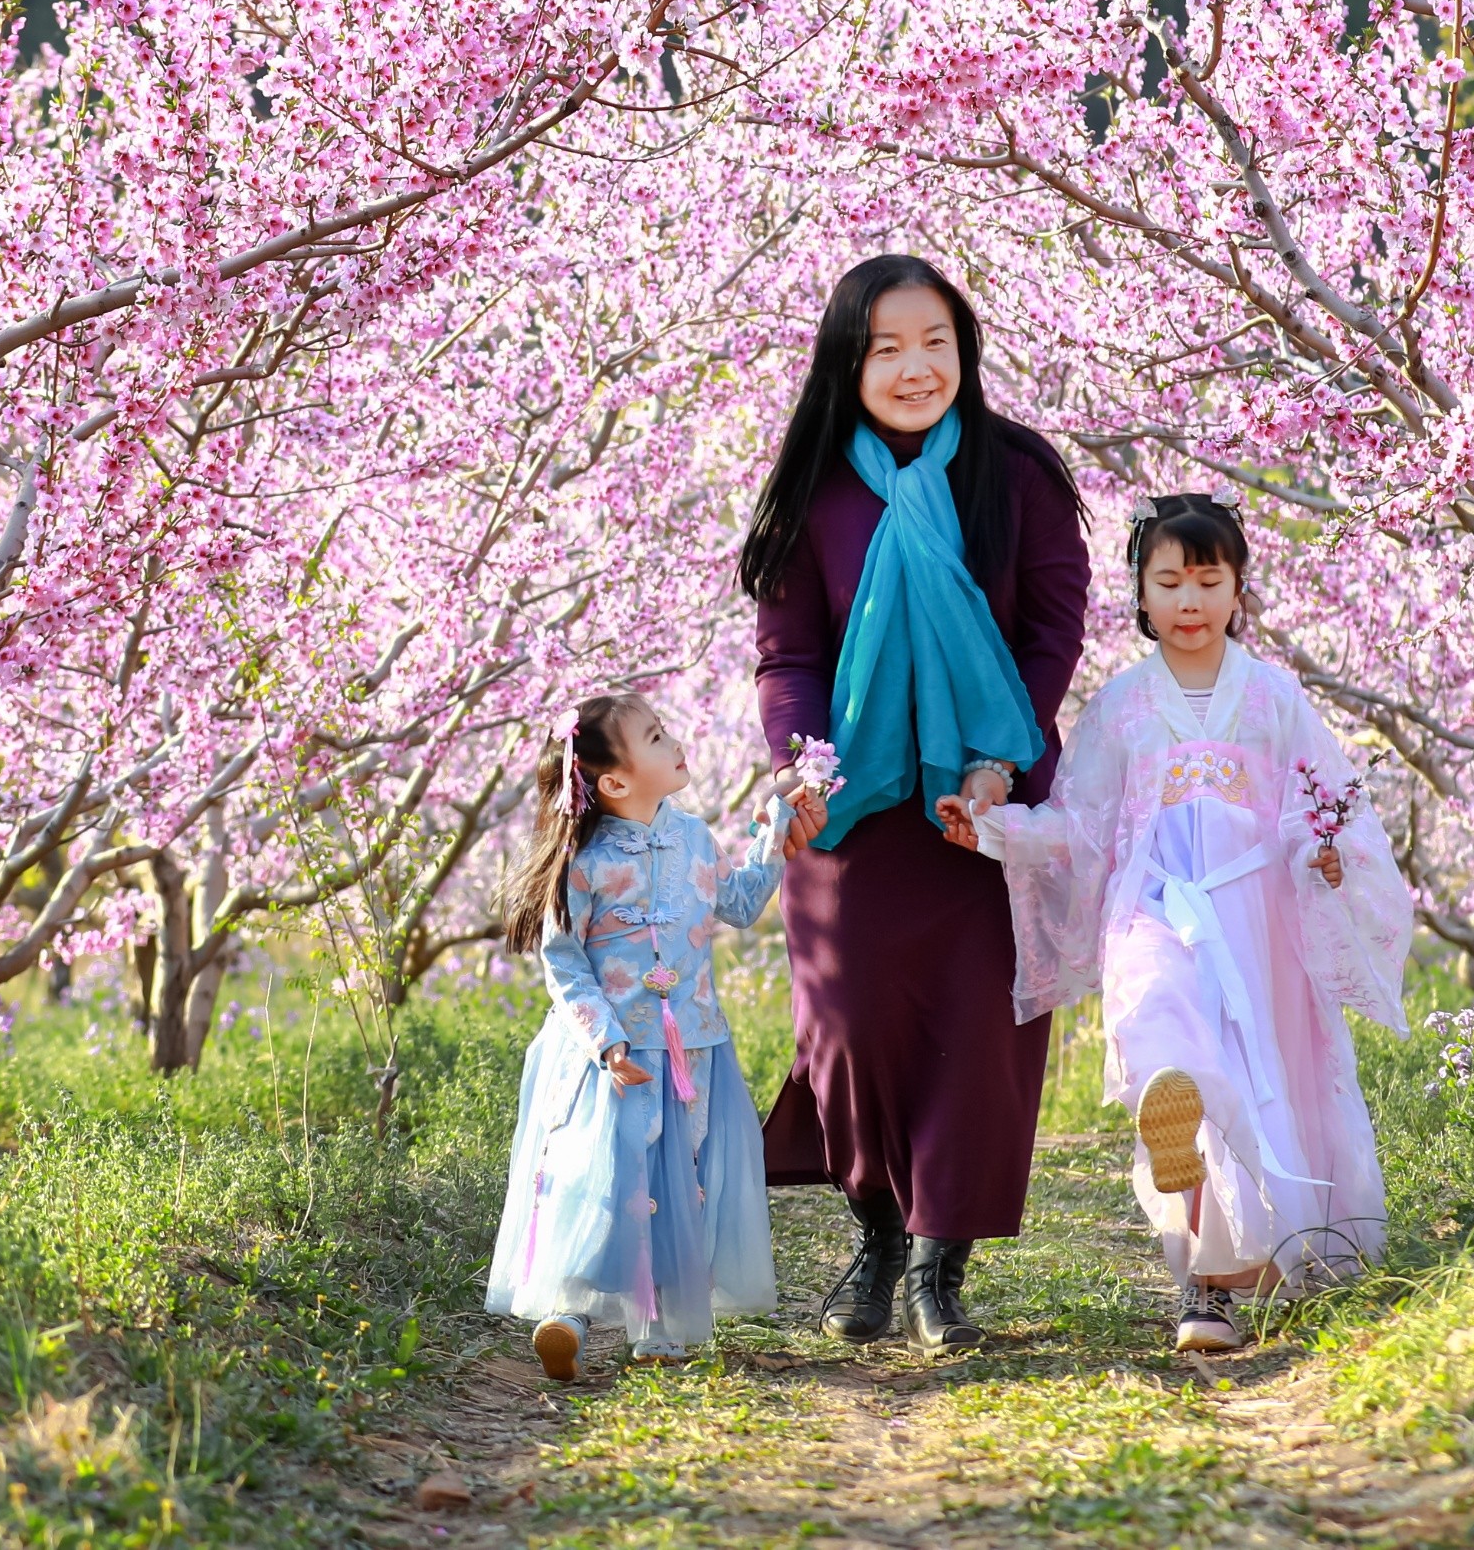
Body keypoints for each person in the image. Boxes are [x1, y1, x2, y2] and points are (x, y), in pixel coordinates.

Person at [951, 495, 1413, 1355]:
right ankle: (1201, 1274)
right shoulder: (1123, 707)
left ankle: (1230, 1280)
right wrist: (997, 828)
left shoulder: (1273, 697)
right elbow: (1081, 820)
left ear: (1239, 588)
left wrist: (1324, 853)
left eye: (1208, 579)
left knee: (1252, 1069)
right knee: (1173, 1056)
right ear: (1141, 592)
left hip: (1255, 918)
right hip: (1155, 907)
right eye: (1168, 581)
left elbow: (1327, 806)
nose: (1189, 601)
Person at [744, 254, 1089, 1352]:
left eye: (934, 340)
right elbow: (786, 653)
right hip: (848, 811)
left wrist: (996, 763)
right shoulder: (815, 487)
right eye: (886, 346)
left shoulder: (1017, 475)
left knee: (977, 1038)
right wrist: (802, 767)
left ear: (964, 349)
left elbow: (1050, 632)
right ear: (846, 362)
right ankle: (877, 1233)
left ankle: (941, 1269)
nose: (913, 366)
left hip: (981, 812)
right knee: (848, 1033)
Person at [485, 693, 823, 1379]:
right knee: (603, 1176)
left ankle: (662, 1321)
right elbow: (564, 960)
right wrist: (603, 1040)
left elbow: (740, 901)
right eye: (656, 736)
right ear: (613, 780)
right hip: (609, 1058)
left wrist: (776, 825)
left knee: (682, 1180)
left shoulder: (694, 836)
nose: (676, 742)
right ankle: (570, 1310)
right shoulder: (583, 862)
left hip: (691, 1047)